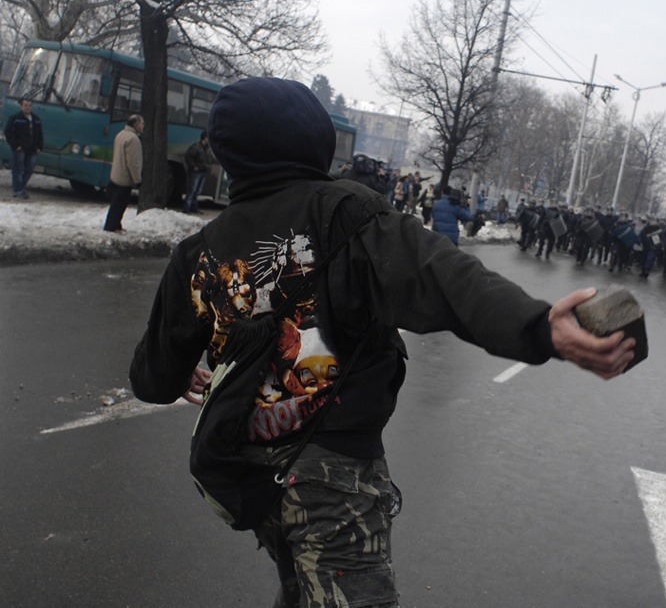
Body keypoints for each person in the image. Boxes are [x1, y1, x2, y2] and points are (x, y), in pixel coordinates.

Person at [128, 77, 635, 608]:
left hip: (248, 477)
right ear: (314, 137)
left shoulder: (197, 253)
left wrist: (179, 371)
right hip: (333, 481)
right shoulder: (346, 213)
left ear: (225, 150)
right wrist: (536, 325)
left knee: (300, 587)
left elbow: (152, 380)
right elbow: (443, 277)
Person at [104, 114, 144, 233]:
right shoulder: (134, 139)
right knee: (120, 204)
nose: (143, 127)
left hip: (116, 175)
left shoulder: (120, 134)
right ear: (136, 125)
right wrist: (137, 179)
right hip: (125, 177)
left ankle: (116, 225)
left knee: (116, 203)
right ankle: (112, 226)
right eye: (142, 124)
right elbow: (133, 162)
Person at [4, 97, 44, 199]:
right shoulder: (15, 119)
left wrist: (39, 146)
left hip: (33, 149)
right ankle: (18, 190)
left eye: (29, 105)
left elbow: (40, 134)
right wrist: (15, 145)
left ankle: (20, 187)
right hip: (20, 149)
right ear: (21, 106)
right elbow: (8, 132)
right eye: (25, 105)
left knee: (29, 169)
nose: (27, 107)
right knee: (18, 169)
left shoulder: (36, 120)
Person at [183, 130, 213, 213]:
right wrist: (193, 166)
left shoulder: (207, 148)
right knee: (192, 189)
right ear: (205, 138)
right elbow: (188, 156)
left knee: (197, 191)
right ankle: (187, 207)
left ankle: (193, 207)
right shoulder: (196, 146)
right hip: (196, 171)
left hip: (203, 171)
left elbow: (210, 158)